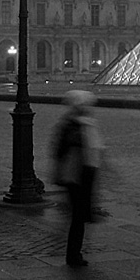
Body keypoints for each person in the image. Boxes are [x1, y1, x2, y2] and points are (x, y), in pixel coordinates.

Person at [51, 90, 104, 267]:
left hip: (75, 176)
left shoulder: (72, 123)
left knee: (77, 216)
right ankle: (73, 255)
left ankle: (74, 253)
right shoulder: (79, 125)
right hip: (77, 177)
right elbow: (92, 151)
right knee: (78, 217)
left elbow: (58, 151)